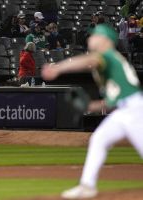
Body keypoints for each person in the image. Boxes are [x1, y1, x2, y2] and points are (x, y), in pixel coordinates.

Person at [42, 24, 143, 199]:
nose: (90, 39)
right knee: (98, 139)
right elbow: (115, 100)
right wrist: (91, 106)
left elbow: (89, 61)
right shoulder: (112, 61)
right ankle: (87, 186)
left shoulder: (107, 56)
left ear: (105, 40)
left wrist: (58, 68)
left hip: (134, 111)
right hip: (125, 110)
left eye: (94, 36)